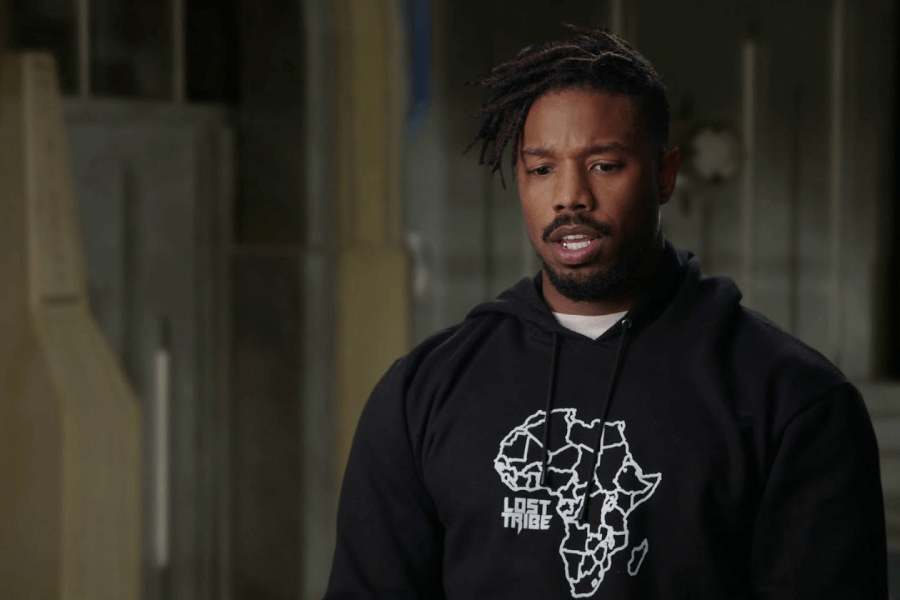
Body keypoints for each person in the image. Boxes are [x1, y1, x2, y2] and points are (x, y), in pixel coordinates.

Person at [325, 24, 887, 599]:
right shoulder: (422, 392)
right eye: (541, 168)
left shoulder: (792, 399)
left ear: (665, 175)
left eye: (604, 165)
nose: (570, 196)